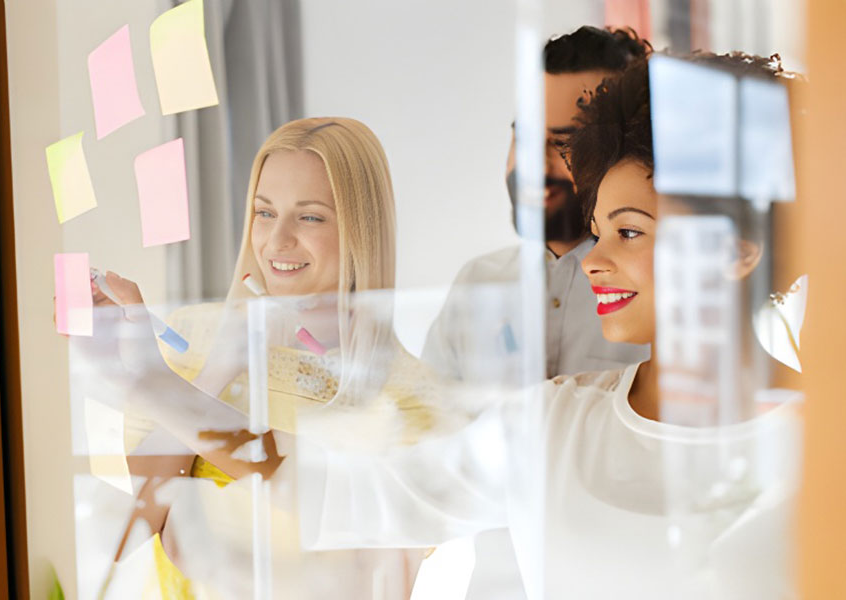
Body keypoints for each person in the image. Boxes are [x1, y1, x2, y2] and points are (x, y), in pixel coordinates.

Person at [298, 52, 802, 599]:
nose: (592, 260)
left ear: (736, 251)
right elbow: (361, 494)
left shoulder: (819, 443)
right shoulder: (550, 422)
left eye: (628, 233)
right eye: (597, 231)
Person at [87, 117, 456, 599]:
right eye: (264, 212)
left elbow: (364, 583)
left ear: (360, 227)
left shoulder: (409, 396)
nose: (277, 241)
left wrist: (192, 510)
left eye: (310, 217)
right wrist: (217, 368)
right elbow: (133, 527)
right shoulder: (188, 338)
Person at [422, 26, 651, 387]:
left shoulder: (653, 294)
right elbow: (429, 424)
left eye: (564, 144)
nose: (535, 168)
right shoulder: (479, 283)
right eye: (525, 139)